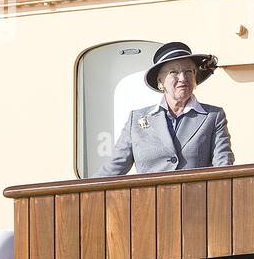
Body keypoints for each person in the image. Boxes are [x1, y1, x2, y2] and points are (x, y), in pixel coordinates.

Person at [98, 41, 234, 175]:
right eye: (174, 72)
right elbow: (113, 168)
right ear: (160, 81)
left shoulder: (213, 116)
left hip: (195, 196)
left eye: (188, 71)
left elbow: (223, 166)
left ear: (195, 77)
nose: (182, 78)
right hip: (149, 197)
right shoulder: (136, 119)